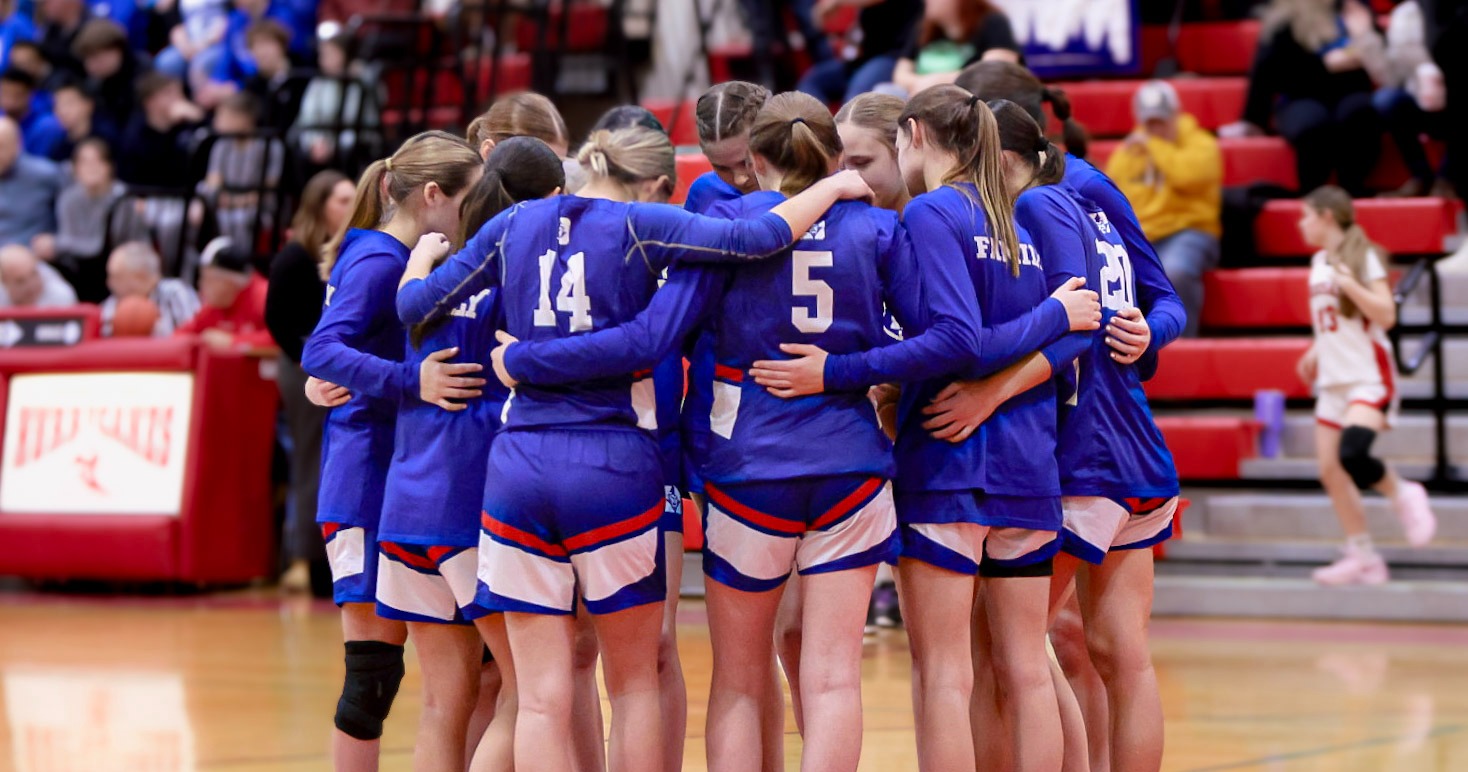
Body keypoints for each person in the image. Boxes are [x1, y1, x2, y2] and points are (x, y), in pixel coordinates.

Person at [397, 126, 872, 772]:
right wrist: (836, 185)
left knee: (538, 699)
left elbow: (416, 305)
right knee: (635, 682)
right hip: (612, 466)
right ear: (649, 181)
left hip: (518, 470)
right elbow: (756, 239)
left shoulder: (511, 226)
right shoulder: (643, 224)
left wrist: (421, 259)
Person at [749, 87, 1100, 772]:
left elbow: (958, 340)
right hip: (1029, 466)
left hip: (950, 464)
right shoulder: (1018, 223)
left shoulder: (935, 210)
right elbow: (1064, 329)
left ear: (911, 133)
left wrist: (842, 371)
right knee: (1028, 667)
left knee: (943, 672)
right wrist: (1053, 318)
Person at [299, 130, 484, 771]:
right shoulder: (381, 261)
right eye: (466, 202)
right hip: (362, 480)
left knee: (459, 669)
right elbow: (322, 350)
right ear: (431, 196)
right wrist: (410, 379)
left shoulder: (388, 254)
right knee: (372, 681)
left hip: (396, 476)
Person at [378, 138, 563, 772]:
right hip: (467, 502)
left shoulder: (431, 275)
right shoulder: (519, 277)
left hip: (403, 507)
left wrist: (415, 263)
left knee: (439, 703)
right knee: (527, 691)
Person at [1296, 185, 1437, 585]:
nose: (1300, 224)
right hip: (1333, 379)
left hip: (1367, 375)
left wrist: (1349, 284)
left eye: (1306, 216)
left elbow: (1386, 315)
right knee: (1330, 470)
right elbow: (1336, 321)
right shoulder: (1319, 261)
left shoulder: (1365, 257)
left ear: (1326, 216)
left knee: (1354, 453)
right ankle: (1363, 556)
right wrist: (1316, 349)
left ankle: (1404, 493)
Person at [265, 169, 353, 593]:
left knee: (334, 459)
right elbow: (277, 320)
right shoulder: (296, 255)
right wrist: (313, 362)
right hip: (303, 368)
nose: (350, 207)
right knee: (311, 461)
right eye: (341, 200)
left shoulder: (348, 250)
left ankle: (335, 558)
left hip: (337, 367)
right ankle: (311, 561)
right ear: (319, 206)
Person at [1220, 0, 1384, 197]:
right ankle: (1313, 193)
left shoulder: (1356, 10)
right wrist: (1253, 119)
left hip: (1350, 93)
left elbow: (1384, 56)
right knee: (1312, 122)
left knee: (1359, 112)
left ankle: (1352, 188)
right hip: (1301, 95)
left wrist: (1364, 37)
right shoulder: (1285, 17)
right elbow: (1268, 72)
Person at [1104, 80, 1222, 338]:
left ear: (1175, 116)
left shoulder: (1202, 144)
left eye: (1161, 121)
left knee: (1175, 270)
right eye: (1150, 123)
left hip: (1189, 231)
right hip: (1143, 237)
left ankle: (1182, 343)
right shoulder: (1127, 154)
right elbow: (1112, 201)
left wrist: (1154, 147)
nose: (1155, 129)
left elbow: (1187, 178)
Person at [32, 138, 143, 302]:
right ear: (75, 169)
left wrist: (56, 244)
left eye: (97, 161)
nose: (91, 168)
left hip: (120, 263)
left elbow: (100, 246)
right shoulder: (68, 198)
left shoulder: (122, 198)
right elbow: (70, 243)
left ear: (109, 167)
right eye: (84, 162)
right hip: (82, 268)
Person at [1363, 0, 1451, 198]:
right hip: (1419, 98)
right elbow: (1391, 78)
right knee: (1386, 100)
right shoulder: (1404, 15)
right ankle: (1421, 177)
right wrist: (1365, 38)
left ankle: (1448, 178)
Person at [199, 90, 284, 249]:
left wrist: (235, 201)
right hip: (223, 203)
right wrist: (218, 196)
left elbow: (268, 189)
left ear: (244, 118)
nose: (217, 122)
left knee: (237, 218)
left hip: (258, 207)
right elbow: (213, 181)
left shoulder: (270, 146)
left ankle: (240, 264)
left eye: (224, 116)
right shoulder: (221, 145)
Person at [798, 0, 923, 105]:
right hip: (864, 57)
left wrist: (836, 2)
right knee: (813, 80)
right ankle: (814, 129)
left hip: (892, 57)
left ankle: (844, 132)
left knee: (855, 100)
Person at [891, 0, 1019, 97]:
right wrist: (921, 83)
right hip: (924, 95)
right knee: (887, 91)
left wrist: (937, 82)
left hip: (971, 99)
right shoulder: (923, 29)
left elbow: (997, 71)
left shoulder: (992, 22)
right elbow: (900, 73)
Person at [291, 31, 379, 170]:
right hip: (321, 142)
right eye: (322, 54)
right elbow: (308, 116)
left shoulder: (360, 79)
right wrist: (314, 142)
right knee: (297, 151)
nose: (323, 60)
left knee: (347, 155)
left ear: (346, 54)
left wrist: (333, 146)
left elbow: (353, 121)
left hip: (354, 140)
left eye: (330, 54)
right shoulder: (318, 82)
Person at [175, 236, 275, 353]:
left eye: (207, 278)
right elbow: (179, 337)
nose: (201, 284)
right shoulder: (214, 305)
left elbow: (283, 339)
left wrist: (233, 341)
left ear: (229, 281)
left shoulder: (264, 297)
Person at [117, 72, 205, 188]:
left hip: (188, 197)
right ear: (149, 102)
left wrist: (201, 120)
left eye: (179, 92)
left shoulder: (191, 125)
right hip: (150, 198)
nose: (178, 98)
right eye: (168, 93)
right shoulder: (135, 137)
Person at [99, 241, 200, 336]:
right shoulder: (111, 304)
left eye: (116, 276)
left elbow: (194, 335)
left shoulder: (175, 293)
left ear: (141, 277)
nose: (109, 283)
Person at [835, 92, 911, 213]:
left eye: (861, 163)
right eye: (840, 168)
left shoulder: (937, 219)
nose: (847, 178)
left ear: (901, 152)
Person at [70, 18, 140, 131]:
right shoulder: (95, 86)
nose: (91, 65)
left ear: (117, 50)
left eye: (96, 57)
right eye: (86, 59)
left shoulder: (142, 74)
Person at [0, 116, 60, 248]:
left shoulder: (45, 174)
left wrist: (57, 240)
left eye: (1, 146)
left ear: (17, 145)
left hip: (29, 253)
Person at [241, 20, 303, 132]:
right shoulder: (252, 86)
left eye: (267, 44)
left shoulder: (302, 76)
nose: (262, 52)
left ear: (282, 46)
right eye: (256, 46)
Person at [153, 0, 230, 89]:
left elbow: (230, 17)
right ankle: (175, 101)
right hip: (190, 42)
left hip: (219, 42)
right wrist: (185, 46)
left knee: (200, 64)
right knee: (166, 62)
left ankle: (203, 101)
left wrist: (203, 44)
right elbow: (175, 24)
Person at [49, 78, 119, 162]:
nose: (62, 111)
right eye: (56, 105)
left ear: (88, 105)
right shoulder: (58, 144)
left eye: (69, 103)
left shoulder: (108, 138)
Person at [0, 68, 62, 158]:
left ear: (30, 94)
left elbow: (37, 163)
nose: (10, 101)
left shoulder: (46, 125)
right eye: (5, 94)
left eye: (17, 95)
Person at [0, 243, 75, 306]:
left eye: (34, 274)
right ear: (5, 283)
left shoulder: (61, 294)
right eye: (20, 281)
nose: (30, 285)